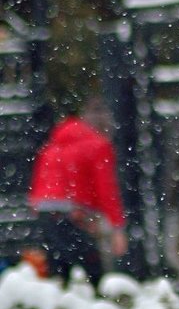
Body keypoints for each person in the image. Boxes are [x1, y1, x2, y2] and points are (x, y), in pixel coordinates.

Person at [28, 96, 128, 288]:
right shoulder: (98, 145)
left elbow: (41, 180)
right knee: (95, 271)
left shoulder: (55, 143)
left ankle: (59, 308)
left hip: (45, 211)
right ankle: (103, 305)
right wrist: (117, 227)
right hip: (72, 212)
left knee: (58, 272)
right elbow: (106, 188)